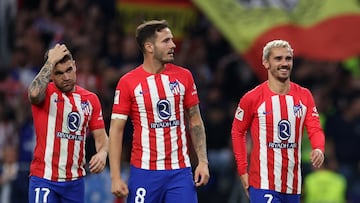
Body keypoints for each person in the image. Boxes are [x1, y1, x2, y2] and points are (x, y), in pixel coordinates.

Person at [108, 19, 210, 203]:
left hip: (180, 172)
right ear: (149, 47)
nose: (173, 45)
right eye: (166, 41)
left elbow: (195, 120)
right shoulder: (128, 82)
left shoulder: (184, 76)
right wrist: (115, 177)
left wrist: (203, 161)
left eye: (171, 40)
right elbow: (116, 130)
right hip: (144, 172)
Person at [231, 39, 325, 203]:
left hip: (293, 184)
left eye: (288, 59)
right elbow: (238, 132)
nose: (284, 63)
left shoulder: (304, 96)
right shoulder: (252, 98)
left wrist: (319, 148)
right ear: (266, 63)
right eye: (278, 59)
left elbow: (315, 129)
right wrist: (242, 170)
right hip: (263, 183)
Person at [27, 43, 109, 203]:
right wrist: (50, 62)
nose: (66, 77)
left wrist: (102, 153)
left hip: (75, 183)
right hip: (44, 178)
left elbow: (101, 137)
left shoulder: (90, 100)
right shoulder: (46, 93)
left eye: (69, 70)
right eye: (59, 73)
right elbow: (34, 94)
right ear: (50, 75)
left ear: (75, 66)